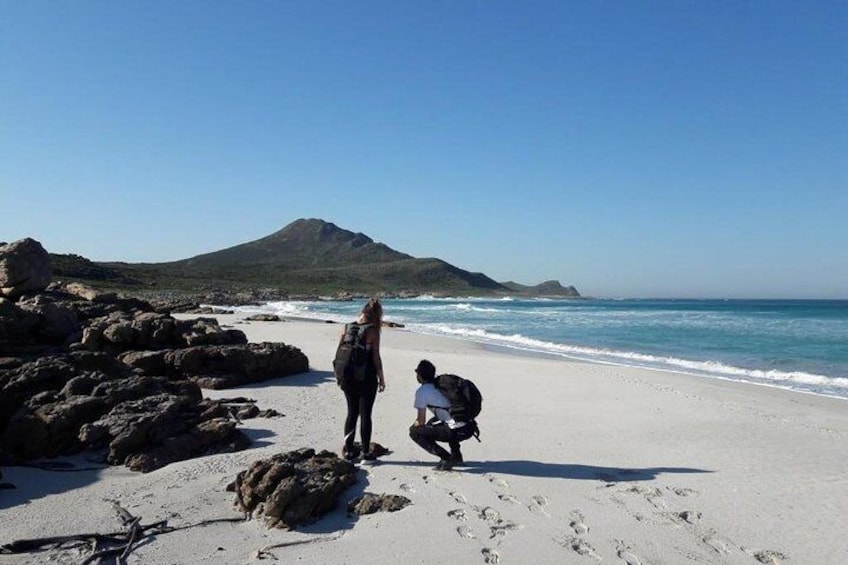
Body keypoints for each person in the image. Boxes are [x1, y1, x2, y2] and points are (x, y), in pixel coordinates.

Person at [340, 297, 386, 461]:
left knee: (351, 413)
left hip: (347, 377)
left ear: (362, 312)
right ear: (376, 314)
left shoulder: (347, 327)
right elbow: (376, 356)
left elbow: (341, 353)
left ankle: (349, 451)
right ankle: (366, 453)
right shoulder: (372, 330)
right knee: (366, 415)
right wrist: (381, 377)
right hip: (366, 377)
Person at [409, 359, 476, 470]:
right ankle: (457, 455)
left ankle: (446, 457)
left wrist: (415, 425)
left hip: (455, 431)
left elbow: (420, 421)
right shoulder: (443, 385)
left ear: (419, 375)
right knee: (446, 422)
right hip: (469, 428)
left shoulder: (422, 392)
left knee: (414, 432)